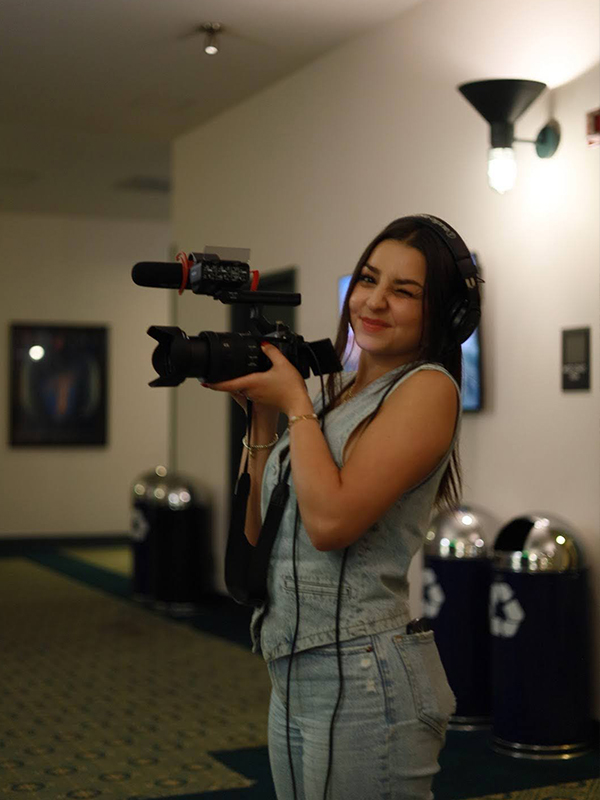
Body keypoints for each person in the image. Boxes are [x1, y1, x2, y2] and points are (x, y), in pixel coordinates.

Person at [203, 215, 480, 799]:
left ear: (446, 314)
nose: (374, 302)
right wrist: (263, 415)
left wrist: (295, 404)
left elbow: (330, 524)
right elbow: (257, 532)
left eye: (404, 291)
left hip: (364, 674)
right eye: (368, 280)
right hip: (292, 668)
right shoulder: (334, 394)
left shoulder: (428, 389)